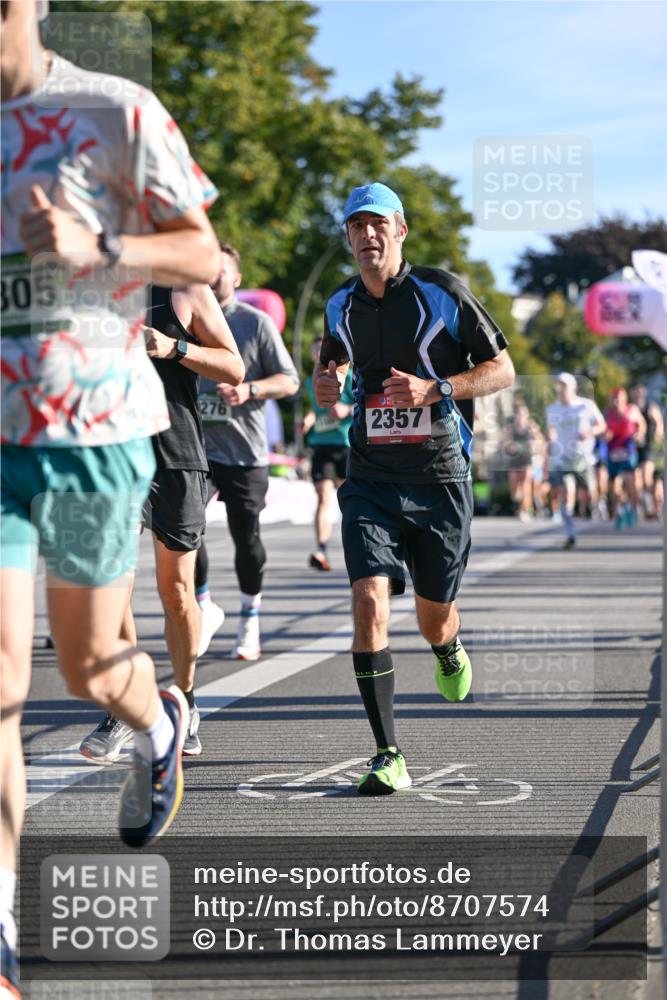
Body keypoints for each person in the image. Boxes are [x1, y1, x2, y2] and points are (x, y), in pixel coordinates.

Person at [0, 2, 220, 993]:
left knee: (91, 667)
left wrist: (102, 247)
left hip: (93, 433)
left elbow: (204, 254)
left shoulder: (113, 111)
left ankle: (158, 721)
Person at [315, 182, 515, 795]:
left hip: (439, 477)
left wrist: (438, 389)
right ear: (348, 237)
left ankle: (448, 646)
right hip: (371, 475)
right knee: (369, 604)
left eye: (379, 225)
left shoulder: (443, 292)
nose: (368, 236)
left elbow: (502, 368)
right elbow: (334, 367)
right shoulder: (338, 305)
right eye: (357, 227)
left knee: (434, 618)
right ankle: (388, 754)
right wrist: (329, 387)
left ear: (401, 230)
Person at [79, 281, 244, 763]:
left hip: (175, 458)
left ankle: (187, 698)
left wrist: (176, 348)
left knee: (176, 592)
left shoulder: (185, 291)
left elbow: (233, 365)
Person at [194, 244, 300, 661]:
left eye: (220, 270)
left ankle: (249, 619)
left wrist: (249, 389)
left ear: (236, 278)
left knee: (245, 537)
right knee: (184, 530)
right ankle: (203, 606)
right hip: (197, 449)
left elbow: (289, 380)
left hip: (244, 451)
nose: (211, 275)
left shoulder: (254, 324)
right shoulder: (186, 316)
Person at [303, 337, 354, 570]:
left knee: (349, 500)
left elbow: (368, 403)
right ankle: (321, 549)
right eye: (315, 352)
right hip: (321, 445)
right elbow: (314, 409)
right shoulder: (310, 382)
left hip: (346, 444)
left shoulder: (351, 377)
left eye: (321, 351)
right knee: (323, 497)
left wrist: (347, 409)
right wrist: (307, 420)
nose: (318, 355)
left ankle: (356, 548)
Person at [545, 373, 606, 549]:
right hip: (563, 458)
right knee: (567, 492)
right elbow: (551, 430)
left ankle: (596, 507)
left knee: (590, 493)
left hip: (584, 458)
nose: (561, 390)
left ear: (573, 388)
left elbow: (601, 425)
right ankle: (570, 533)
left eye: (564, 386)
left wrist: (589, 433)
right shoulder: (552, 409)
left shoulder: (586, 405)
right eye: (558, 386)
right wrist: (551, 438)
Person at [605, 387, 646, 528]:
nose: (616, 401)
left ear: (625, 399)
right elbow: (603, 430)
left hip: (628, 451)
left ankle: (633, 508)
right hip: (613, 452)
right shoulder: (608, 413)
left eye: (619, 398)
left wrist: (639, 434)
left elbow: (642, 424)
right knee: (614, 486)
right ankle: (619, 512)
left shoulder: (632, 410)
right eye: (614, 398)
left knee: (630, 481)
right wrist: (605, 435)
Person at [501, 400, 541, 521]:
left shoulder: (532, 427)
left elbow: (540, 442)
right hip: (514, 460)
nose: (521, 416)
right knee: (515, 488)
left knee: (526, 485)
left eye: (524, 414)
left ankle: (524, 511)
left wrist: (534, 445)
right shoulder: (511, 428)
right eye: (519, 414)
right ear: (516, 415)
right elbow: (503, 443)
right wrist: (509, 446)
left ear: (527, 415)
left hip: (527, 459)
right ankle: (518, 502)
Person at [631, 383, 664, 519]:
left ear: (644, 392)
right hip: (635, 448)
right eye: (635, 391)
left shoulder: (651, 407)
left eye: (640, 391)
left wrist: (657, 435)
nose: (638, 393)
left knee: (647, 476)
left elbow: (659, 423)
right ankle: (642, 506)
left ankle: (654, 506)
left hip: (650, 447)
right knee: (636, 479)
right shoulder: (631, 409)